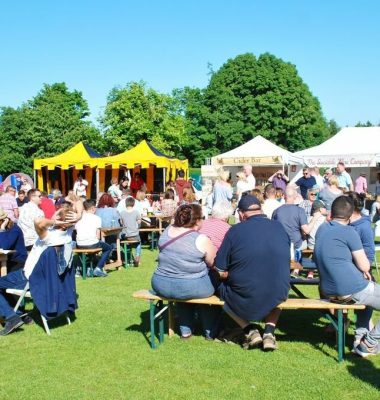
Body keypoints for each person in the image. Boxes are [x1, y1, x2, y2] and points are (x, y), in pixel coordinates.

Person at [215, 195, 290, 351]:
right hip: (279, 289)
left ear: (242, 214)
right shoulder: (279, 227)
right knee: (278, 290)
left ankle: (249, 329)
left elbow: (220, 267)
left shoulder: (235, 230)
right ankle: (269, 332)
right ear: (260, 209)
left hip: (245, 290)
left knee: (221, 291)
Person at [314, 196, 380, 357]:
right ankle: (369, 343)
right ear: (350, 216)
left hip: (328, 290)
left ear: (331, 213)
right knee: (368, 289)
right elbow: (364, 265)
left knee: (369, 297)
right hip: (350, 288)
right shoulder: (349, 232)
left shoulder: (322, 229)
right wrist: (363, 269)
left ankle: (359, 339)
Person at [0, 206, 76, 335]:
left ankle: (11, 317)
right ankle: (20, 314)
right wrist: (69, 217)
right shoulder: (68, 234)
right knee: (6, 280)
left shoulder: (48, 236)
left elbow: (37, 221)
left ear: (61, 223)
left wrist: (55, 221)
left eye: (57, 216)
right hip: (52, 282)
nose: (52, 217)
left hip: (31, 280)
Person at [151, 204, 218, 340]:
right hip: (191, 286)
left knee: (181, 291)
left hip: (160, 283)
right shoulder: (201, 239)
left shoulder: (167, 231)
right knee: (214, 283)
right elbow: (213, 263)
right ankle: (210, 331)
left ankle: (185, 331)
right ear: (197, 220)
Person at [272, 187, 322, 270]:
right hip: (297, 244)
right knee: (307, 242)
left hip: (281, 244)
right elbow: (307, 230)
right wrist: (315, 218)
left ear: (284, 196)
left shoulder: (276, 211)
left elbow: (273, 229)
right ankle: (298, 267)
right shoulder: (300, 211)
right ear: (295, 197)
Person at [75, 199, 112, 277]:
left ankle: (85, 268)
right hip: (92, 243)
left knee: (89, 248)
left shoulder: (79, 219)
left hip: (80, 244)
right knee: (108, 248)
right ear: (93, 208)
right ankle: (98, 268)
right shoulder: (97, 218)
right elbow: (98, 236)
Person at [0, 207, 27, 272]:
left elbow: (4, 246)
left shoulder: (14, 229)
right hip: (6, 260)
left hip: (17, 261)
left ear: (3, 220)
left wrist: (2, 230)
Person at [120, 197, 142, 267]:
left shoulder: (122, 213)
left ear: (125, 204)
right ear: (133, 204)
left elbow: (121, 223)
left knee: (127, 245)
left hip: (126, 235)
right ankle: (137, 255)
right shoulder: (136, 212)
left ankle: (128, 259)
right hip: (135, 235)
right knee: (138, 244)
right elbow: (139, 222)